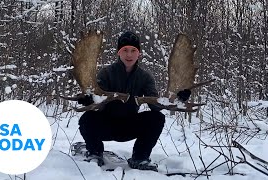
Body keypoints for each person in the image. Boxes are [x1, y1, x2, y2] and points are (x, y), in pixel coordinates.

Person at [77, 31, 191, 171]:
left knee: (157, 118)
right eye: (125, 50)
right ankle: (95, 153)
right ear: (119, 52)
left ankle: (140, 157)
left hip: (129, 125)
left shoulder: (145, 77)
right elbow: (98, 103)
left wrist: (178, 98)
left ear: (139, 54)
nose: (129, 55)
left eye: (133, 50)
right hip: (106, 124)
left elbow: (155, 106)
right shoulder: (106, 73)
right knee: (87, 118)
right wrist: (89, 100)